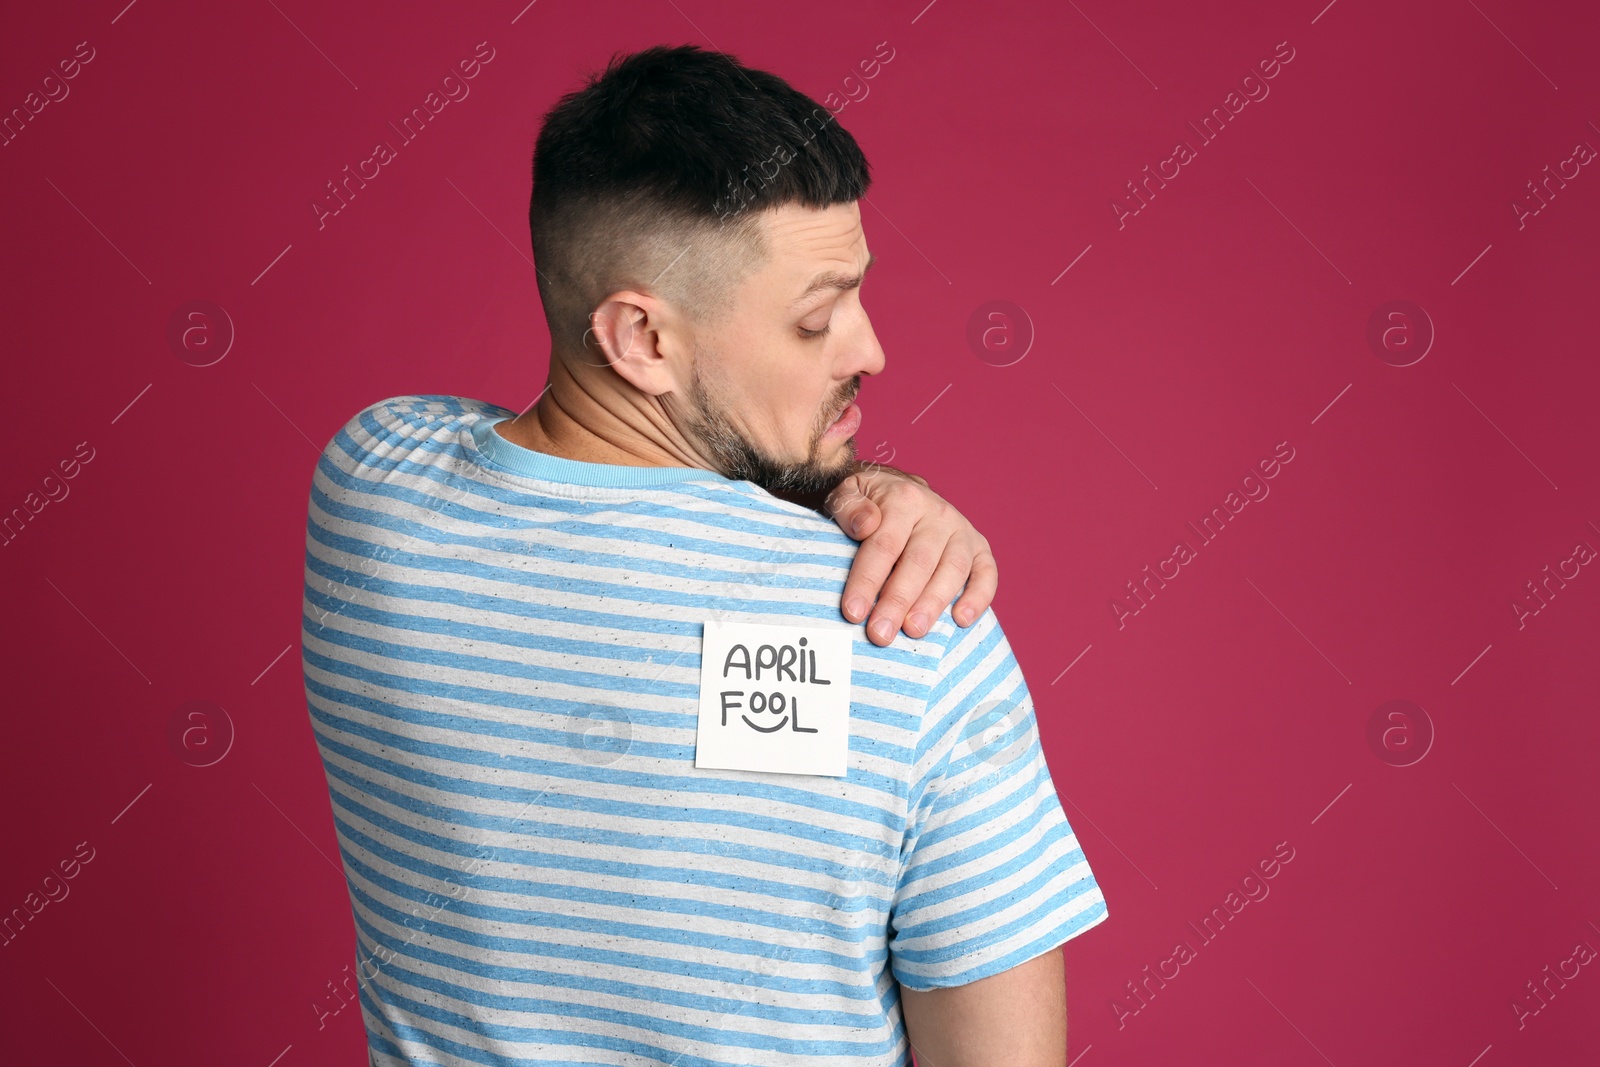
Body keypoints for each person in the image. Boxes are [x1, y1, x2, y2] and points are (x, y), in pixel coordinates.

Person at [301, 43, 1107, 1067]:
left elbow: (558, 458)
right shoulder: (909, 623)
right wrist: (868, 488)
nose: (869, 351)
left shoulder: (371, 491)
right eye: (815, 319)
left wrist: (834, 481)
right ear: (640, 339)